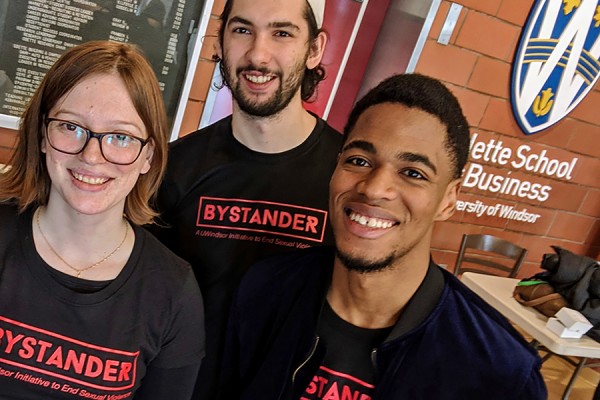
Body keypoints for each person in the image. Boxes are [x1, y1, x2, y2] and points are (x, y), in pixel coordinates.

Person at [218, 73, 548, 399]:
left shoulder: (501, 374)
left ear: (448, 200)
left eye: (413, 173)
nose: (374, 188)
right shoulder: (264, 290)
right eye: (359, 161)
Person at [150, 0, 341, 397]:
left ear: (315, 49)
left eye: (282, 33)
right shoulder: (173, 170)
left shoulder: (348, 179)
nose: (257, 54)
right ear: (219, 42)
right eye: (241, 30)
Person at [0, 41, 205, 399]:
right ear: (43, 135)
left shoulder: (174, 293)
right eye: (70, 127)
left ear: (148, 157)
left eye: (121, 136)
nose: (92, 156)